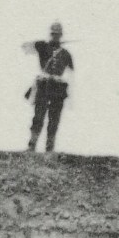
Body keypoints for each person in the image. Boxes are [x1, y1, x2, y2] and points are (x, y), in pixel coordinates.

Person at [24, 23, 74, 152]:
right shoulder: (42, 47)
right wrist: (39, 43)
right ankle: (32, 146)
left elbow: (71, 73)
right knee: (38, 116)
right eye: (53, 34)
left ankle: (49, 148)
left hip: (58, 88)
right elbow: (25, 48)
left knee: (54, 118)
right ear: (50, 34)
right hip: (43, 86)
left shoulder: (66, 54)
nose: (55, 36)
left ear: (61, 35)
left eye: (57, 34)